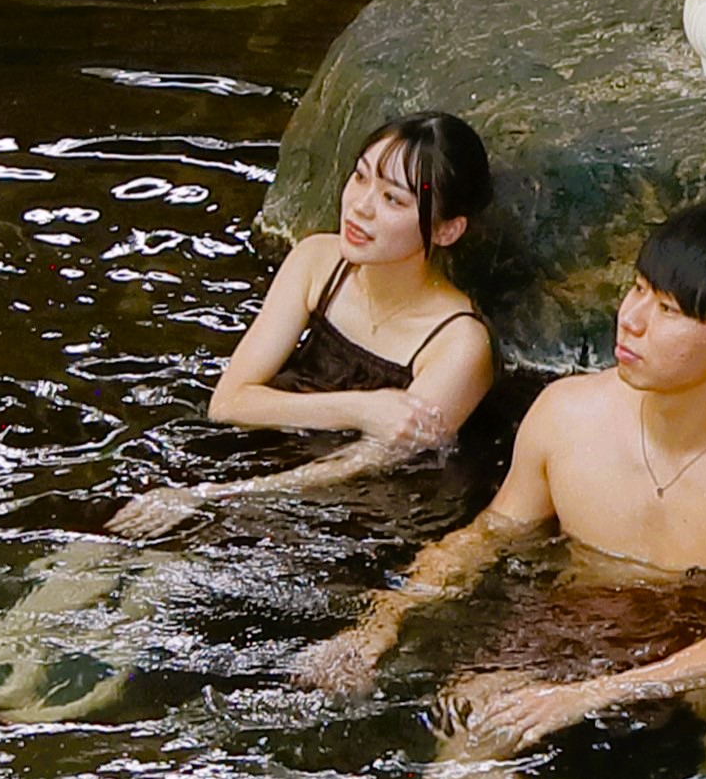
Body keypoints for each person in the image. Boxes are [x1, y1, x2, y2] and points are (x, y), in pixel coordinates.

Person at [289, 197, 706, 779]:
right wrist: (383, 619)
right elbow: (489, 536)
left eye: (667, 310)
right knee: (473, 728)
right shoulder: (568, 414)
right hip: (575, 628)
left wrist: (589, 696)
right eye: (636, 289)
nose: (630, 319)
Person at [108, 111, 501, 540]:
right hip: (257, 457)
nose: (360, 206)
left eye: (394, 199)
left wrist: (214, 497)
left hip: (336, 510)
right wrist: (362, 408)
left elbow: (360, 466)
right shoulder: (319, 261)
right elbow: (228, 403)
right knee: (97, 543)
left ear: (446, 230)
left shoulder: (459, 344)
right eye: (361, 176)